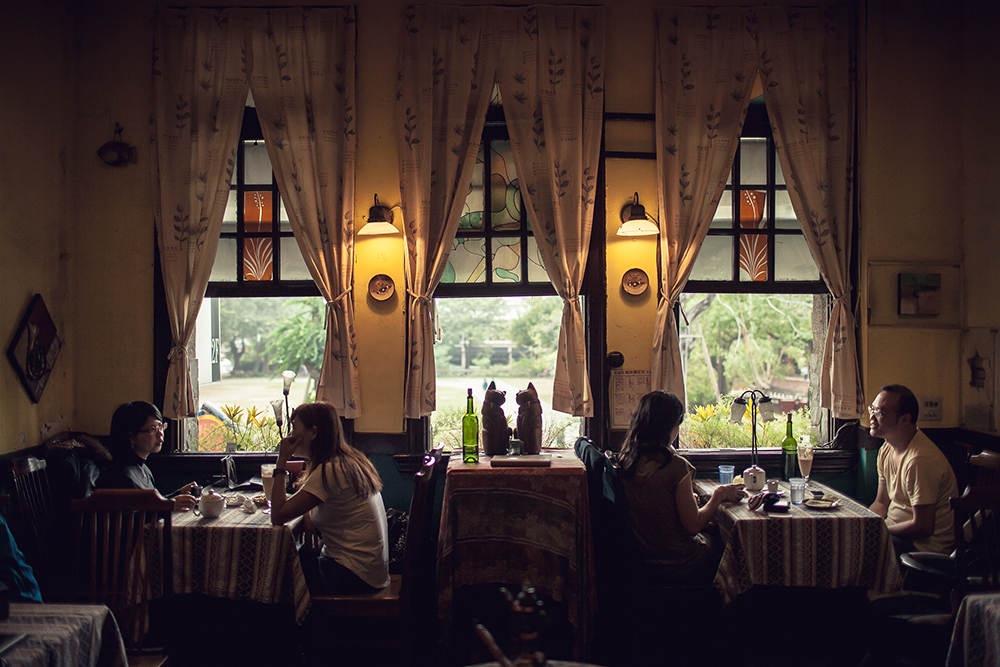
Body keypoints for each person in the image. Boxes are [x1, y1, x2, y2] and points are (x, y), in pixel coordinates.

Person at [618, 391, 745, 586]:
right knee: (725, 543)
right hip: (679, 561)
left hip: (642, 559)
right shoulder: (676, 466)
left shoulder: (628, 459)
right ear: (669, 427)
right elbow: (693, 526)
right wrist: (719, 495)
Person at [269, 402, 390, 594]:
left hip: (354, 575)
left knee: (277, 572)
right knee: (297, 558)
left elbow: (278, 516)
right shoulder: (350, 459)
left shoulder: (330, 471)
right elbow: (313, 507)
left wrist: (281, 461)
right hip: (370, 571)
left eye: (294, 428)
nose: (291, 435)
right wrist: (308, 516)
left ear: (313, 432)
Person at [868, 384, 958, 556]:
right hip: (894, 533)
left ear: (904, 420)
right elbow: (881, 504)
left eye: (880, 413)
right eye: (872, 409)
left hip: (923, 548)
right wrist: (867, 526)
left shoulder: (919, 460)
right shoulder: (886, 449)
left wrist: (882, 531)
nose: (871, 417)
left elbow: (923, 526)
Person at [98, 401, 197, 512]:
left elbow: (152, 504)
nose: (160, 434)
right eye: (152, 429)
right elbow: (134, 520)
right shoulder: (121, 475)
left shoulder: (142, 468)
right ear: (131, 437)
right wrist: (170, 506)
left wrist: (179, 494)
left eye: (161, 426)